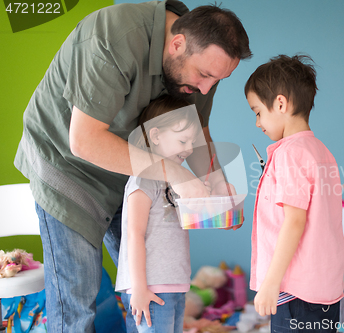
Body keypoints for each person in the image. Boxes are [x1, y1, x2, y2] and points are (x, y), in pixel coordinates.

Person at [14, 0, 251, 331]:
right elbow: (84, 141)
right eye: (205, 75)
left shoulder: (200, 62)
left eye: (218, 80)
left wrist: (215, 187)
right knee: (79, 299)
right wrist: (176, 173)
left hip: (132, 171)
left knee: (151, 285)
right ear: (177, 44)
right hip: (67, 164)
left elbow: (197, 129)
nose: (206, 89)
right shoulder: (113, 36)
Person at [244, 55, 344, 332]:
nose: (257, 122)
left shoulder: (290, 154)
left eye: (257, 112)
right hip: (323, 290)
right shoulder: (321, 152)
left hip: (296, 293)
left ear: (280, 104)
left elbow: (294, 221)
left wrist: (271, 283)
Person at [115, 95, 205, 333]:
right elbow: (133, 234)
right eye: (183, 140)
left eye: (192, 142)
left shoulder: (175, 181)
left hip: (175, 285)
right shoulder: (143, 178)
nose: (189, 149)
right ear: (155, 136)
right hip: (151, 287)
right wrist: (139, 288)